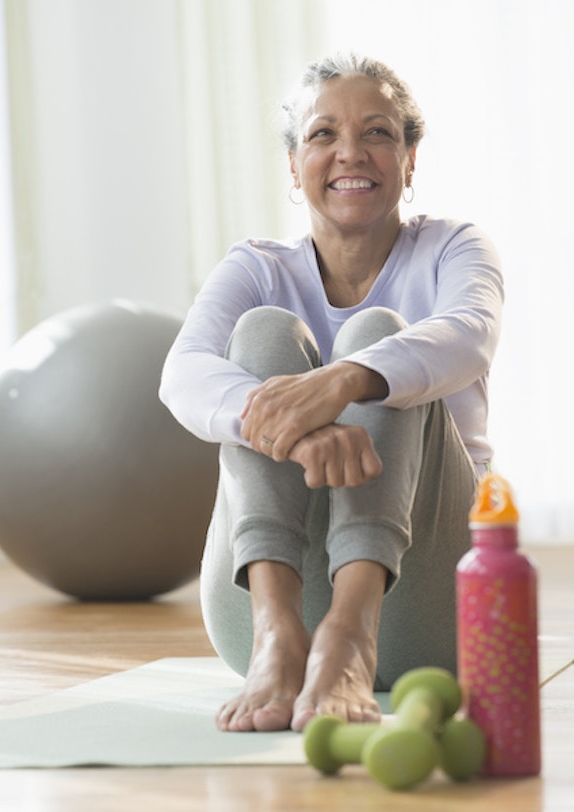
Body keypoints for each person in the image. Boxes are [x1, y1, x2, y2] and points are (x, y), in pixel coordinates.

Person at [159, 53, 503, 734]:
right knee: (260, 336)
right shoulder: (256, 268)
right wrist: (304, 423)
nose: (352, 152)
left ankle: (350, 637)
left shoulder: (454, 249)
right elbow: (183, 374)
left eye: (377, 133)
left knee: (380, 335)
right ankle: (279, 637)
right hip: (258, 602)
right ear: (293, 164)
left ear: (409, 158)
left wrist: (344, 381)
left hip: (427, 601)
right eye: (323, 134)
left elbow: (470, 333)